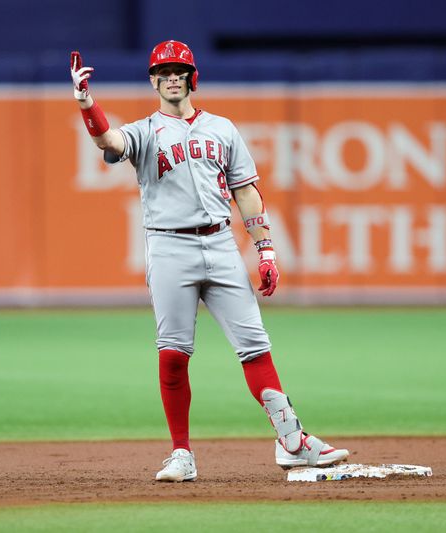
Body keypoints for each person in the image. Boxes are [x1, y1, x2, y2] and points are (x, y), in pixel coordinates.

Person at [69, 40, 349, 482]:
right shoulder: (144, 131)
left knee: (255, 346)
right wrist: (87, 104)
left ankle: (292, 441)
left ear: (192, 77)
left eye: (179, 70)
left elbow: (245, 191)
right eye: (163, 72)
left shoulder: (222, 128)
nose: (172, 77)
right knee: (174, 354)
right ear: (153, 80)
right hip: (168, 247)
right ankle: (181, 454)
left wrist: (265, 249)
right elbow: (109, 139)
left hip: (219, 244)